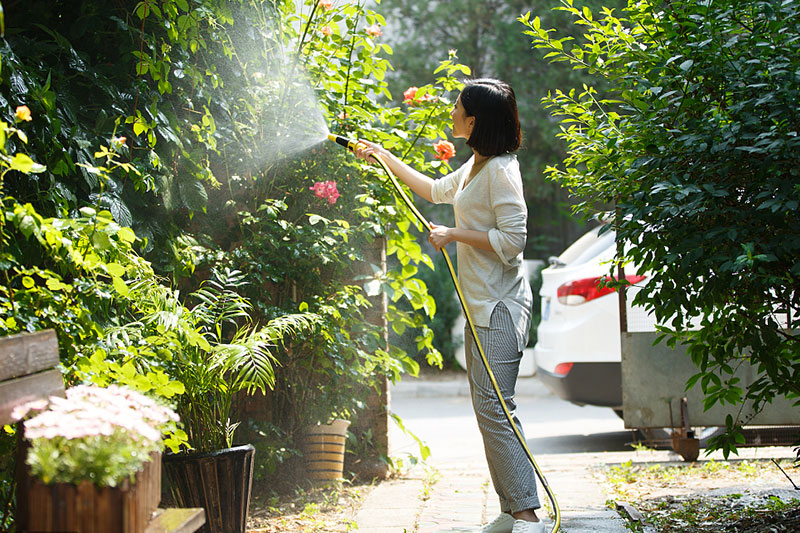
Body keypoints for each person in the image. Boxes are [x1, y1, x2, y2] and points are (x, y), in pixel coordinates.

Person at [355, 78, 543, 533]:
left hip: (500, 307)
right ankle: (509, 508)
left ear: (475, 121)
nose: (451, 112)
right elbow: (435, 190)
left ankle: (528, 515)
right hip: (481, 306)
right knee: (488, 409)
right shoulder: (477, 165)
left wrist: (453, 235)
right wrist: (383, 157)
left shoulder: (500, 170)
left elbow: (514, 242)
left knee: (498, 410)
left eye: (457, 107)